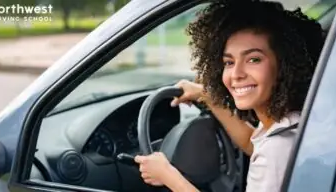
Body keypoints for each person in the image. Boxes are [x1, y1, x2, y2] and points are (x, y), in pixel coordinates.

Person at [134, 0, 324, 191]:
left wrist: (168, 175)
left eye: (253, 59)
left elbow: (267, 151)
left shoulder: (277, 149)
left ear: (286, 66)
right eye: (229, 62)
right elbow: (253, 144)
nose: (236, 74)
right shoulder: (289, 122)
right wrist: (206, 96)